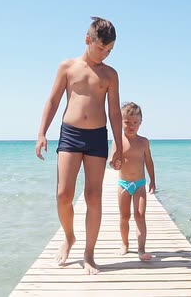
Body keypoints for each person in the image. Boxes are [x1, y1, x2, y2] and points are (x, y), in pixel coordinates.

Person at [35, 16, 123, 275]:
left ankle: (89, 253)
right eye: (101, 48)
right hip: (70, 135)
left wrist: (118, 144)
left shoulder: (110, 74)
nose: (105, 54)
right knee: (64, 194)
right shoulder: (67, 67)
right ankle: (69, 236)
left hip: (97, 137)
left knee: (93, 195)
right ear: (88, 40)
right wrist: (42, 133)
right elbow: (52, 101)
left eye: (109, 51)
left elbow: (115, 112)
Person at [111, 102, 156, 261]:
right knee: (124, 216)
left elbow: (149, 161)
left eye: (135, 122)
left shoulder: (144, 142)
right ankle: (125, 244)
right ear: (121, 122)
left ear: (140, 123)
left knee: (140, 215)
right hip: (123, 184)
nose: (131, 126)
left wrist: (152, 181)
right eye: (127, 122)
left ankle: (141, 250)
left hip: (139, 184)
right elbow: (112, 161)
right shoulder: (118, 141)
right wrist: (115, 164)